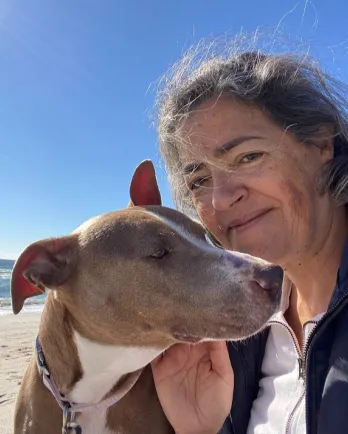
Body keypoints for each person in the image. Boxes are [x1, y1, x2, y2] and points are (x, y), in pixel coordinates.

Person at [150, 40, 348, 434]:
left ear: (320, 143)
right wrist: (202, 428)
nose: (221, 198)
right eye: (199, 181)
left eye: (248, 157)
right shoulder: (233, 329)